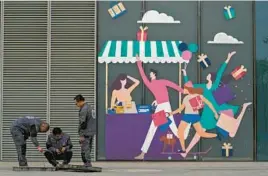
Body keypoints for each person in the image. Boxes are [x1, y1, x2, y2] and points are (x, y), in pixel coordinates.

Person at [181, 51, 252, 158]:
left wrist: (227, 59)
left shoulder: (214, 86)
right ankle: (186, 152)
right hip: (207, 114)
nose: (207, 74)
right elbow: (189, 88)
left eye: (209, 74)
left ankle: (243, 109)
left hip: (217, 111)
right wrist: (185, 74)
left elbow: (220, 72)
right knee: (198, 134)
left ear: (211, 78)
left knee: (231, 132)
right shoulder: (202, 88)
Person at [134, 54, 189, 160]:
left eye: (151, 74)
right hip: (162, 106)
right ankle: (143, 153)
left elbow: (172, 85)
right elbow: (143, 76)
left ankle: (143, 153)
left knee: (156, 128)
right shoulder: (151, 83)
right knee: (158, 128)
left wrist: (183, 91)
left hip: (164, 107)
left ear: (154, 74)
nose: (149, 75)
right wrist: (139, 63)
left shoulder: (160, 82)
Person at [169, 85, 218, 153]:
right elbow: (180, 109)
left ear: (188, 89)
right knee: (181, 132)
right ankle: (183, 149)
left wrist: (215, 112)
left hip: (193, 116)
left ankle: (216, 135)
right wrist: (170, 113)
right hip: (188, 116)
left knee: (200, 133)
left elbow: (209, 103)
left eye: (184, 89)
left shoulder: (198, 96)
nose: (183, 90)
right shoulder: (186, 98)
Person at [74, 94, 96, 167]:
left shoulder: (83, 109)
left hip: (85, 132)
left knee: (85, 148)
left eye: (76, 103)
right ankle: (87, 162)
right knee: (88, 148)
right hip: (91, 131)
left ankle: (87, 163)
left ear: (80, 101)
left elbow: (83, 123)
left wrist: (81, 135)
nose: (76, 104)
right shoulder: (90, 107)